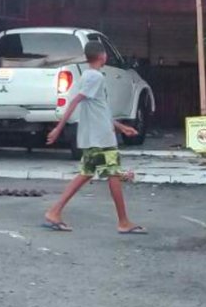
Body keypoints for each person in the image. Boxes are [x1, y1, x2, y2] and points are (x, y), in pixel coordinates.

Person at [43, 41, 146, 235]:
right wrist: (59, 127)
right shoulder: (95, 77)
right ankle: (123, 222)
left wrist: (121, 127)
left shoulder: (88, 76)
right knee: (113, 175)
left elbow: (100, 109)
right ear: (103, 56)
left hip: (97, 135)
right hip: (101, 138)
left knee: (87, 173)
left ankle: (54, 211)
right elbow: (75, 101)